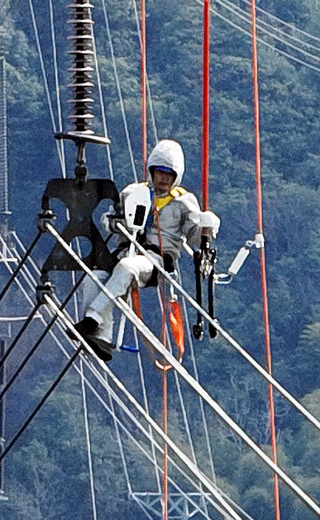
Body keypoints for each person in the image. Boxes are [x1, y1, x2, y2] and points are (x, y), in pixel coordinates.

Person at [77, 138, 220, 359]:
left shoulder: (184, 201)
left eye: (169, 174)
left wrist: (206, 229)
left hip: (156, 260)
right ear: (152, 171)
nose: (163, 178)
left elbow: (194, 236)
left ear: (176, 177)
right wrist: (113, 222)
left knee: (127, 268)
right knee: (93, 277)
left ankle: (92, 317)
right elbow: (110, 217)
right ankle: (100, 338)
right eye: (160, 171)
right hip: (126, 250)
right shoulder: (133, 192)